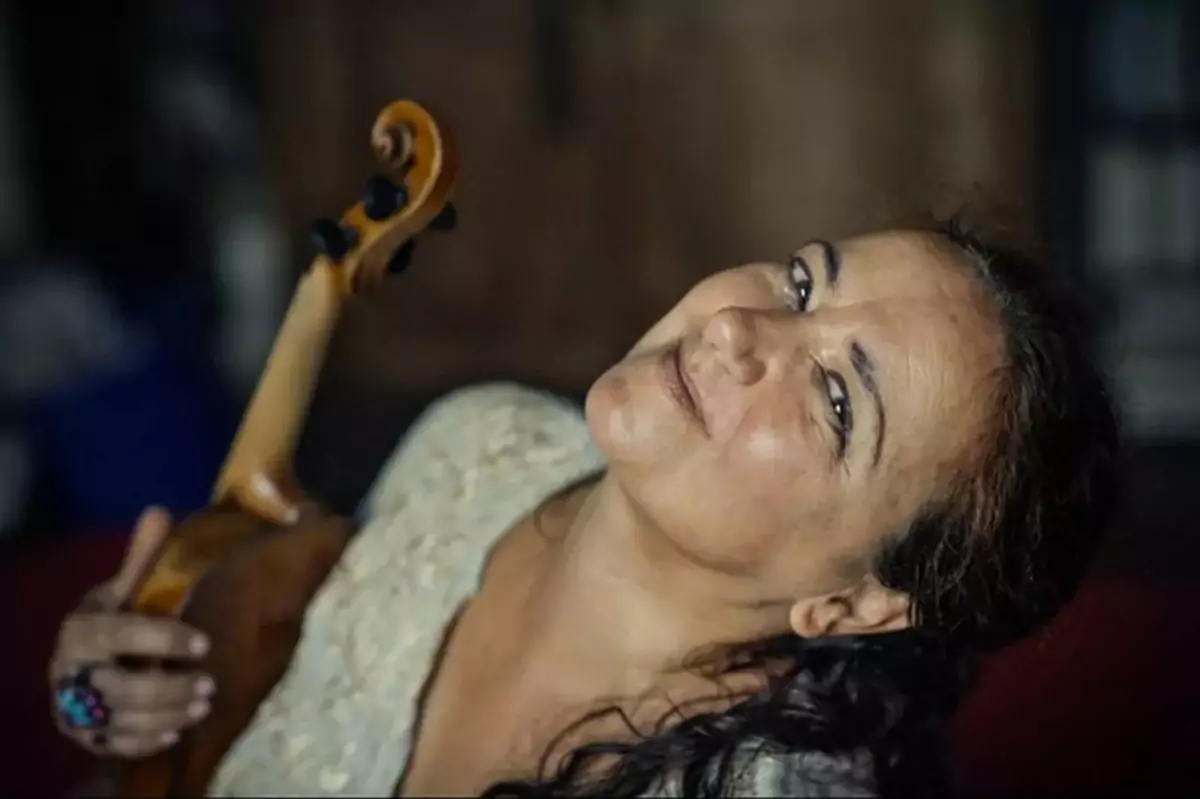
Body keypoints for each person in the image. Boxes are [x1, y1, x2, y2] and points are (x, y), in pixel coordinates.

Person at [49, 218, 1120, 797]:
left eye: (837, 398)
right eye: (802, 284)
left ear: (857, 604)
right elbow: (206, 730)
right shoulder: (481, 439)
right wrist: (110, 699)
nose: (738, 328)